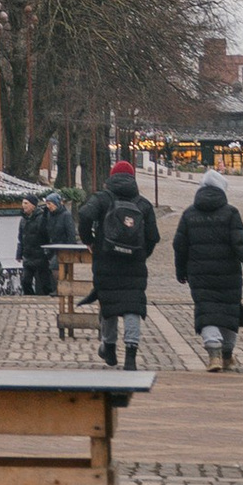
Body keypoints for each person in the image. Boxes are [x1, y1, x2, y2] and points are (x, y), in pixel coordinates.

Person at [175, 175, 243, 370]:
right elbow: (240, 243)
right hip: (228, 273)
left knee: (206, 311)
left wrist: (181, 270)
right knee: (229, 312)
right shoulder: (230, 213)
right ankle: (227, 354)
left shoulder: (189, 214)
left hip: (200, 274)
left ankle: (214, 355)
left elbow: (179, 246)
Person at [85, 155, 159, 368]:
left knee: (109, 304)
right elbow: (153, 236)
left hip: (106, 261)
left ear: (112, 177)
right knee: (132, 308)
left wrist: (90, 242)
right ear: (133, 178)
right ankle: (130, 356)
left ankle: (108, 348)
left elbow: (84, 214)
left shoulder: (102, 199)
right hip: (134, 264)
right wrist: (141, 254)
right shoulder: (143, 204)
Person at [16, 192, 68, 300]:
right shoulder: (23, 220)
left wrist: (48, 253)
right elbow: (21, 238)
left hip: (40, 256)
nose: (23, 205)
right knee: (25, 282)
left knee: (45, 283)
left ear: (33, 205)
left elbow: (46, 234)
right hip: (28, 256)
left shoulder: (42, 218)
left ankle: (48, 301)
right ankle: (30, 299)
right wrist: (19, 253)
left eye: (26, 203)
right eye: (23, 203)